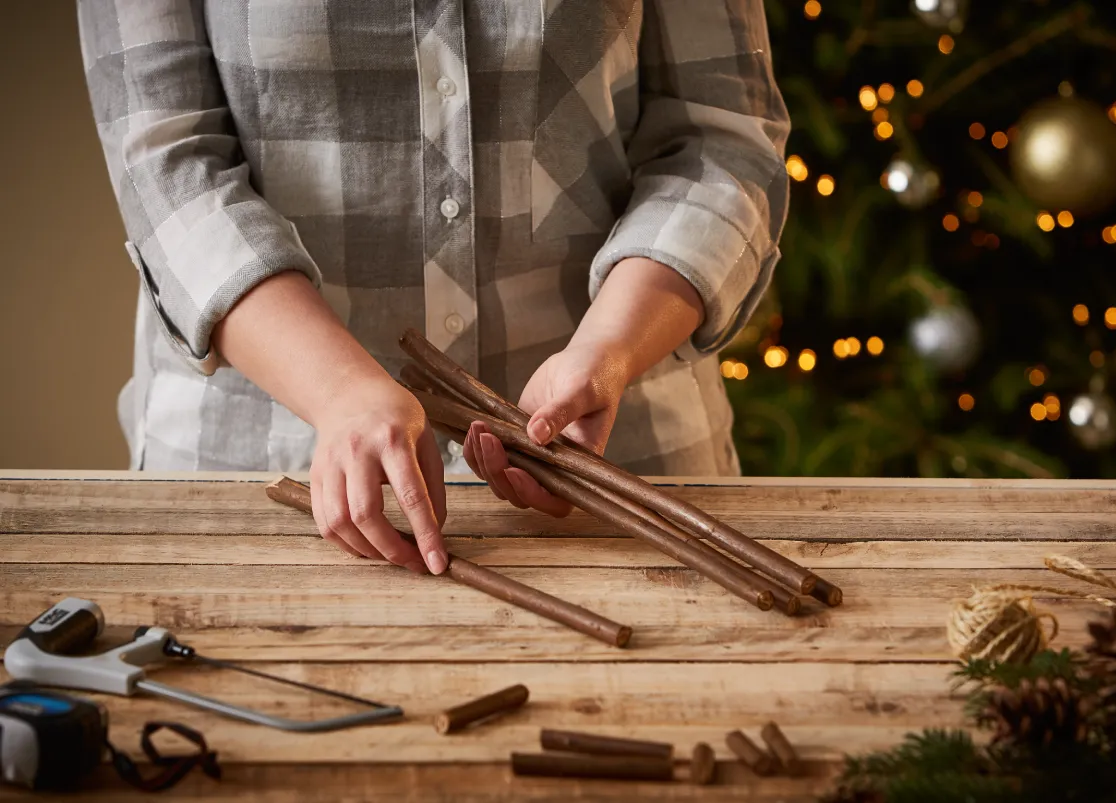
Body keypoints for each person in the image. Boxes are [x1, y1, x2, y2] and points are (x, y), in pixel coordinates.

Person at [78, 0, 789, 576]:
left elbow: (720, 140)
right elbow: (166, 165)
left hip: (624, 470)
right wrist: (336, 390)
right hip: (254, 477)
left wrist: (608, 347)